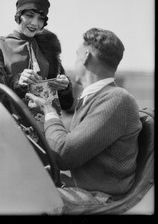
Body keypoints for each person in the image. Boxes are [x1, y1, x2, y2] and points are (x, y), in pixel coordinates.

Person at [26, 28, 142, 208]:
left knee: (17, 193)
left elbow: (64, 154)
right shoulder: (95, 98)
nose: (75, 61)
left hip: (98, 197)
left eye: (76, 55)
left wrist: (49, 111)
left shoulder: (116, 100)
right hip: (82, 189)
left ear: (86, 56)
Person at [0, 0, 74, 160]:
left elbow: (66, 102)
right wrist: (16, 80)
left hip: (46, 135)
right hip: (6, 135)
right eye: (30, 15)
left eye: (41, 18)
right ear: (18, 15)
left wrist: (64, 86)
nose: (35, 23)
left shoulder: (48, 49)